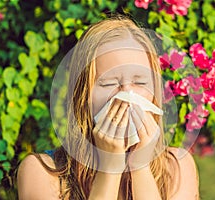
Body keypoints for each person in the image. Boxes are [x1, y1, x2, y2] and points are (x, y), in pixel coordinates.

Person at [17, 16, 199, 200]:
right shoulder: (43, 173)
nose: (127, 94)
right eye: (108, 83)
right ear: (83, 95)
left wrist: (140, 167)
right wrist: (109, 168)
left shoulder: (177, 168)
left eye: (140, 81)